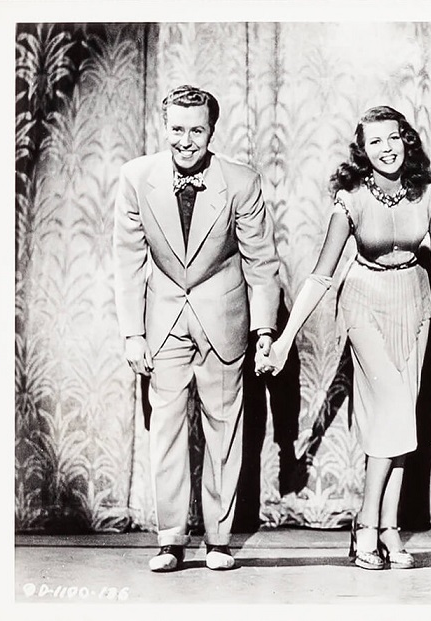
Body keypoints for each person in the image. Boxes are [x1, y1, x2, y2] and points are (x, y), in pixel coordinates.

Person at [256, 106, 431, 570]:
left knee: (401, 418)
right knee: (393, 407)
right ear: (362, 151)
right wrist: (284, 341)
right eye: (375, 142)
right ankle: (367, 523)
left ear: (406, 140)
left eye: (393, 138)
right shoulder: (351, 198)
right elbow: (321, 276)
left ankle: (388, 528)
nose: (386, 148)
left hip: (413, 301)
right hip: (363, 301)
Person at [113, 85, 281, 572]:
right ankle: (169, 540)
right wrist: (132, 333)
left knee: (223, 430)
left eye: (197, 131)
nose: (186, 141)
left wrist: (264, 331)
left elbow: (261, 262)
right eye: (177, 129)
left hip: (223, 321)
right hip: (163, 321)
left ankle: (219, 541)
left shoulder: (242, 181)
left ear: (212, 131)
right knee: (165, 430)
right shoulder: (135, 178)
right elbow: (127, 261)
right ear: (164, 127)